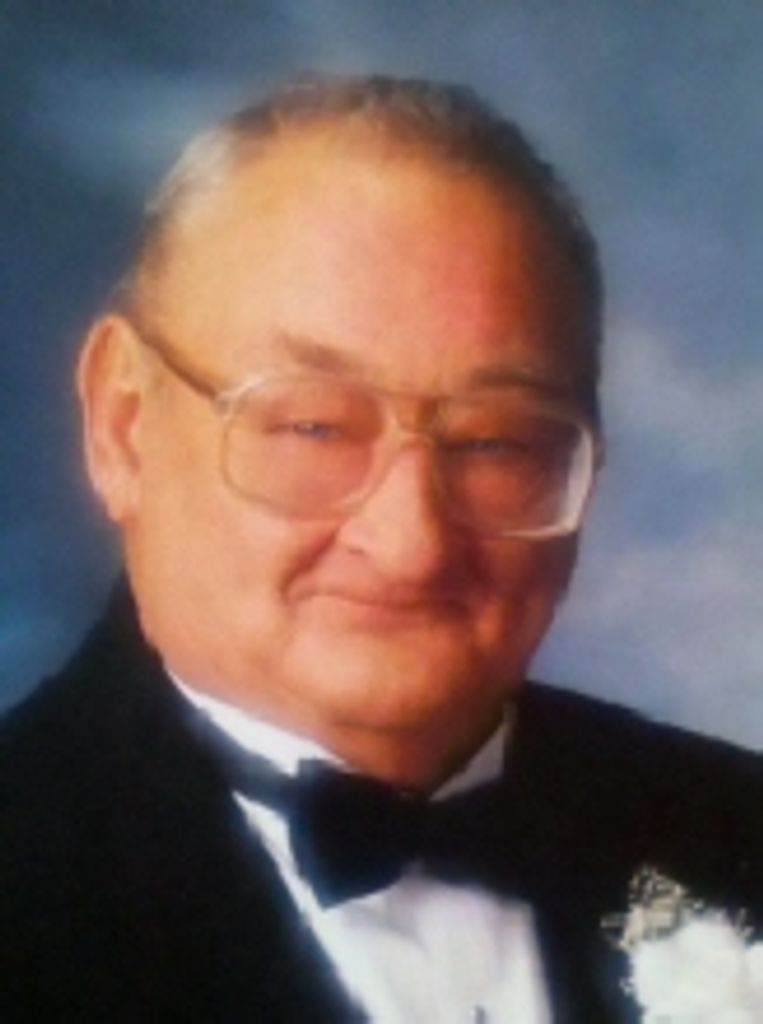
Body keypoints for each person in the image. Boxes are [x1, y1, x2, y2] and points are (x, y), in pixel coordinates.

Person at [0, 74, 760, 1023]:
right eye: (313, 426)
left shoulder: (734, 826)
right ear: (123, 426)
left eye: (495, 441)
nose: (411, 545)